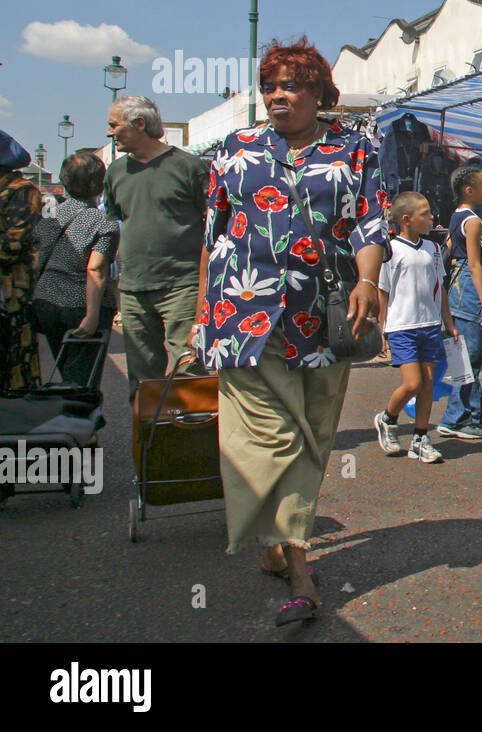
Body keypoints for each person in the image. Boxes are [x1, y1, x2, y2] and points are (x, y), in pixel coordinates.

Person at [188, 37, 388, 628]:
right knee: (275, 437)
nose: (278, 95)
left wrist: (369, 281)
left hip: (325, 315)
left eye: (292, 84)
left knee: (316, 434)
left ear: (320, 93)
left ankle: (278, 543)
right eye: (271, 85)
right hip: (241, 313)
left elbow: (370, 220)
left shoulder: (354, 147)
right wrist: (203, 313)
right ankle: (300, 572)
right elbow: (214, 234)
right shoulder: (234, 147)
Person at [104, 94, 207, 396]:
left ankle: (190, 440)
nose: (109, 133)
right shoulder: (115, 172)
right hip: (134, 288)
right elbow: (117, 222)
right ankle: (147, 442)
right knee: (141, 378)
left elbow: (215, 225)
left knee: (188, 369)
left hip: (182, 286)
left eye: (113, 125)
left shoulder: (189, 167)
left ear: (138, 124)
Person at [374, 191, 458, 463]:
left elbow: (441, 288)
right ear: (406, 220)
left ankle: (420, 438)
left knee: (428, 385)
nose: (432, 217)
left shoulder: (433, 249)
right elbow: (383, 291)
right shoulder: (390, 250)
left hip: (430, 325)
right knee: (413, 383)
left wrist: (448, 322)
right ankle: (387, 419)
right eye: (425, 214)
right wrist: (381, 328)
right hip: (402, 327)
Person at [32, 151, 119, 386]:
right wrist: (92, 316)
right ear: (100, 183)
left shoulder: (50, 216)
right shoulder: (103, 222)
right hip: (80, 304)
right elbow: (96, 270)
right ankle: (81, 418)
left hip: (46, 301)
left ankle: (74, 415)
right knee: (83, 380)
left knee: (67, 373)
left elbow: (37, 257)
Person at [438, 165, 482, 439]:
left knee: (466, 351)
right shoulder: (472, 221)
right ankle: (455, 418)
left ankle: (475, 412)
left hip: (457, 288)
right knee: (469, 354)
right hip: (470, 290)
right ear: (469, 190)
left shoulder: (457, 217)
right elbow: (473, 263)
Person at [0, 130, 42, 391]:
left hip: (11, 295)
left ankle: (20, 428)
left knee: (15, 362)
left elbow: (13, 244)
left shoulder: (22, 191)